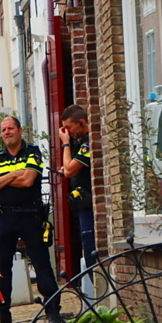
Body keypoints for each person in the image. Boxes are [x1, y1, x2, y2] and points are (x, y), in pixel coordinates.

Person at [0, 116, 61, 323]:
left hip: (31, 215)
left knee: (41, 264)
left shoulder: (33, 152)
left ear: (20, 130)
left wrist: (4, 179)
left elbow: (28, 180)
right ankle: (3, 314)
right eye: (3, 130)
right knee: (2, 267)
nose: (7, 132)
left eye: (10, 128)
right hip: (5, 216)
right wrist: (13, 174)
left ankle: (53, 311)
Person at [58, 104, 96, 271]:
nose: (67, 132)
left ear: (82, 122)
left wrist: (65, 144)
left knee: (90, 251)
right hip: (81, 205)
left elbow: (69, 170)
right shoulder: (81, 144)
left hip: (89, 204)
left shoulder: (88, 143)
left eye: (69, 127)